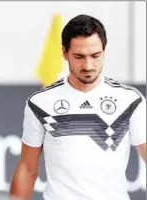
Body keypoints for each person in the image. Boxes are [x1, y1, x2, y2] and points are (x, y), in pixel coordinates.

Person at [10, 14, 146, 200]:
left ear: (104, 51)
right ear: (64, 53)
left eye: (95, 55)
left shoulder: (130, 100)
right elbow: (27, 168)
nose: (88, 65)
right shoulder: (40, 102)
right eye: (79, 56)